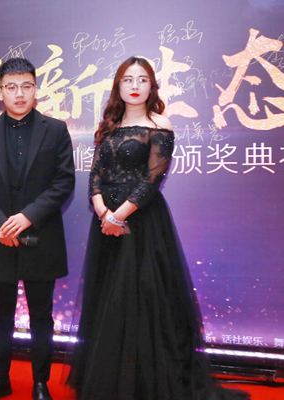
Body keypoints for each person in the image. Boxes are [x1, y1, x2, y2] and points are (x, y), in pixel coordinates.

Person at [65, 57, 249, 400]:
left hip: (142, 224)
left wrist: (119, 216)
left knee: (142, 301)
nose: (134, 86)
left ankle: (144, 386)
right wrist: (103, 210)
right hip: (105, 224)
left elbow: (152, 180)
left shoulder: (159, 124)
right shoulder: (109, 125)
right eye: (127, 79)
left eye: (142, 79)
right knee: (108, 300)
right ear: (118, 86)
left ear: (152, 86)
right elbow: (95, 176)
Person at [0, 58, 75, 400]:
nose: (19, 94)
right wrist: (1, 223)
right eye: (11, 87)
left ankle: (40, 382)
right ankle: (1, 379)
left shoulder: (55, 129)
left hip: (42, 237)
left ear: (35, 89)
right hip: (0, 238)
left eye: (26, 86)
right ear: (0, 92)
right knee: (0, 315)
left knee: (42, 316)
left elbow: (64, 182)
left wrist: (27, 216)